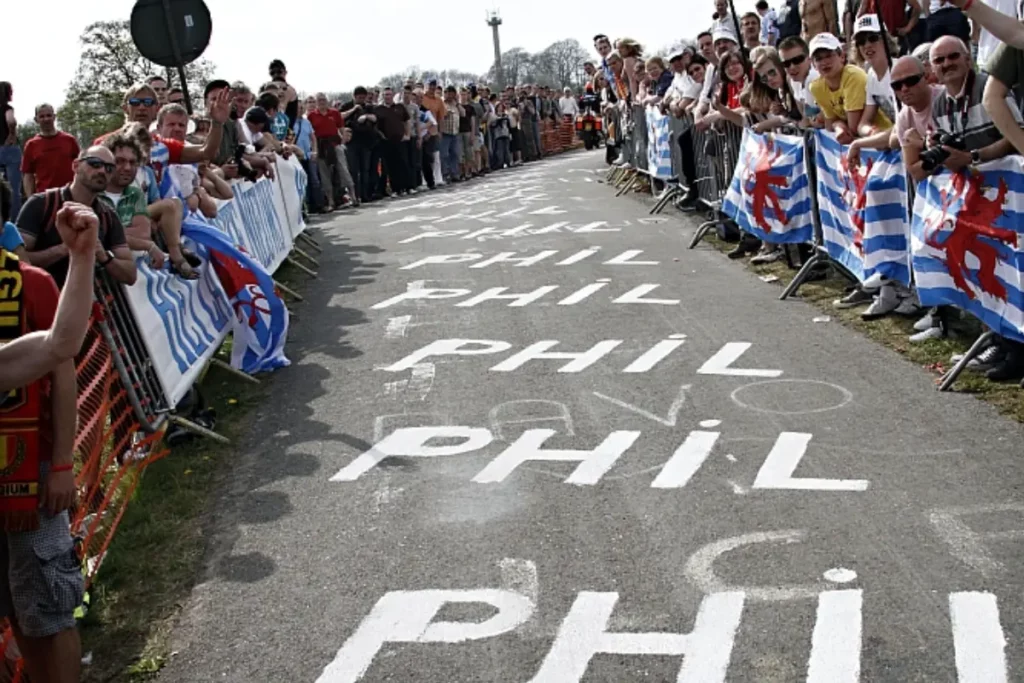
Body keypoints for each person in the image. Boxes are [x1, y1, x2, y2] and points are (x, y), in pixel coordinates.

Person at [0, 192, 98, 683]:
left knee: (41, 611)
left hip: (23, 481)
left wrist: (80, 258)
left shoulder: (28, 285)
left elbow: (62, 344)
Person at [16, 146, 137, 288]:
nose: (102, 171)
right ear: (76, 166)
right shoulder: (42, 204)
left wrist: (103, 256)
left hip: (86, 303)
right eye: (95, 164)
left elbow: (130, 275)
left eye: (110, 168)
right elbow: (17, 260)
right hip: (43, 300)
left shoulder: (108, 216)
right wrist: (66, 248)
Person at [808, 32, 869, 143]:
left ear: (842, 56)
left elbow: (853, 129)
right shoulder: (816, 87)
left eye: (829, 56)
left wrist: (838, 124)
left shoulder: (853, 76)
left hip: (880, 135)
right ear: (813, 64)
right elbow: (829, 124)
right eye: (818, 59)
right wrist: (838, 125)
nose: (824, 62)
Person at [20, 105, 79, 196]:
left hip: (70, 194)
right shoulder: (31, 145)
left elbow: (80, 167)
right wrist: (30, 198)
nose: (46, 119)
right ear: (36, 119)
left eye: (49, 115)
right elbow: (28, 175)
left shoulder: (69, 140)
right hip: (45, 197)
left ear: (54, 117)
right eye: (42, 116)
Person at [0, 83, 20, 220]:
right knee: (13, 188)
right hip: (8, 149)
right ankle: (15, 221)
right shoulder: (7, 108)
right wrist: (12, 134)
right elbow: (10, 121)